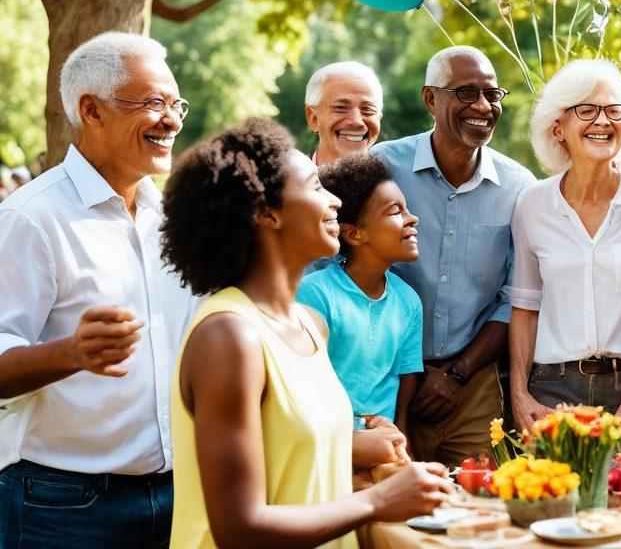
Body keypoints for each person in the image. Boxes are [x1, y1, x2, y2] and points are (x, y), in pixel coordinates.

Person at [161, 118, 450, 548]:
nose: (334, 200)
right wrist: (378, 502)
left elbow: (304, 472)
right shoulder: (229, 337)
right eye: (316, 187)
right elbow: (239, 529)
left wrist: (382, 462)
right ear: (267, 213)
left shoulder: (310, 325)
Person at [0, 32, 197, 549]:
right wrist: (74, 352)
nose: (171, 119)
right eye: (152, 103)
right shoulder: (29, 217)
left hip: (175, 496)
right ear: (92, 111)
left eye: (176, 105)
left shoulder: (168, 218)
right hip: (61, 505)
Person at [371, 46, 534, 465]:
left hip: (475, 385)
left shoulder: (519, 187)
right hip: (385, 379)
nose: (482, 106)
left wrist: (457, 375)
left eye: (492, 95)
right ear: (430, 99)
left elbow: (515, 296)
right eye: (466, 93)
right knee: (391, 504)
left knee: (483, 506)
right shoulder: (381, 167)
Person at [509, 59, 621, 444]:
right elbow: (525, 306)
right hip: (554, 391)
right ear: (558, 128)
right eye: (586, 111)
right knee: (563, 501)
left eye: (614, 111)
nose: (603, 122)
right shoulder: (532, 203)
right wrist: (520, 395)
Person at [298, 153, 424, 435]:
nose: (412, 218)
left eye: (406, 209)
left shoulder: (409, 301)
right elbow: (305, 385)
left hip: (385, 444)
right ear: (354, 234)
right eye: (395, 211)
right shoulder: (315, 294)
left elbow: (405, 379)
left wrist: (401, 442)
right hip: (328, 441)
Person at [306, 61, 384, 167]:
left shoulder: (400, 180)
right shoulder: (285, 182)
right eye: (341, 108)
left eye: (367, 109)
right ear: (313, 118)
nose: (357, 121)